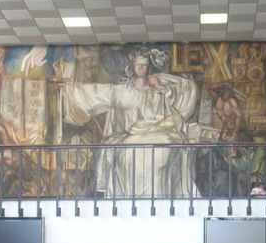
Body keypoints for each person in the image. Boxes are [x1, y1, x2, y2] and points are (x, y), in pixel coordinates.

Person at [62, 47, 198, 198]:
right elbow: (99, 92)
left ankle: (157, 197)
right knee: (127, 152)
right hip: (135, 134)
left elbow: (178, 100)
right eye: (137, 64)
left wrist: (159, 88)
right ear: (132, 67)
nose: (140, 68)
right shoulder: (125, 91)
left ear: (148, 67)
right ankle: (129, 197)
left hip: (160, 131)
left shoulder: (157, 89)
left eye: (144, 65)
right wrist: (69, 91)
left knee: (158, 151)